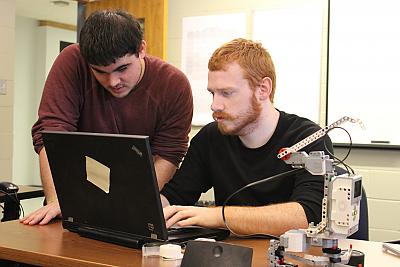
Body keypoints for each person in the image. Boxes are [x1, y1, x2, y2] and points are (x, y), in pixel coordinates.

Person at [21, 10, 193, 225]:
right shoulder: (72, 61)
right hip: (73, 189)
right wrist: (58, 200)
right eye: (100, 72)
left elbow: (169, 153)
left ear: (141, 49)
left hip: (135, 192)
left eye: (122, 69)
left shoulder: (173, 84)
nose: (113, 81)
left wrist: (127, 204)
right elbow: (52, 135)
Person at [161, 38, 333, 237]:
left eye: (226, 93)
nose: (215, 105)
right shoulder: (210, 138)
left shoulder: (309, 138)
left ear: (263, 90)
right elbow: (174, 196)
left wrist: (218, 217)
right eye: (212, 93)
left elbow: (308, 216)